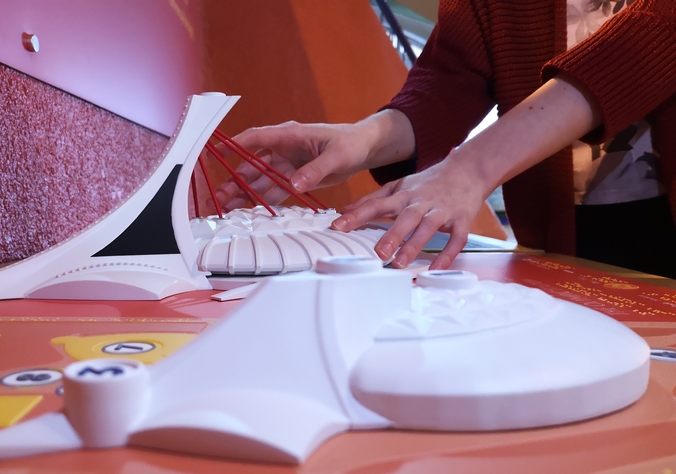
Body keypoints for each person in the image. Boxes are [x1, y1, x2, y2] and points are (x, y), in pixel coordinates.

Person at [216, 0, 676, 277]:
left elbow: (647, 42)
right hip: (561, 245)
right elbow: (449, 82)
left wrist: (470, 169)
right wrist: (365, 139)